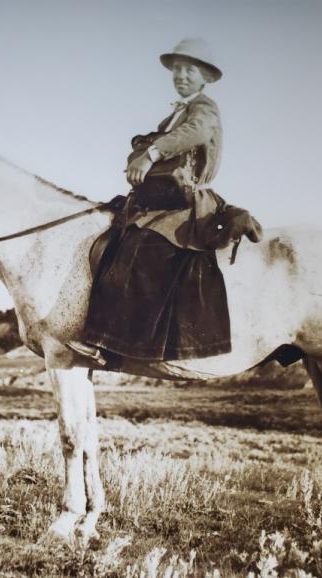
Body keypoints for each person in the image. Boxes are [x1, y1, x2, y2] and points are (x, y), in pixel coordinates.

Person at [70, 38, 259, 366]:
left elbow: (196, 133)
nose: (181, 75)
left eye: (190, 69)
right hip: (164, 202)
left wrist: (151, 154)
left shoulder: (204, 108)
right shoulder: (175, 114)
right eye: (177, 69)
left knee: (144, 246)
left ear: (206, 78)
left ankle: (122, 347)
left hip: (189, 202)